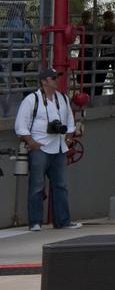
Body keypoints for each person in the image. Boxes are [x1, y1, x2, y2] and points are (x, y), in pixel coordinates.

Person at [13, 68, 82, 231]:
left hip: (59, 148)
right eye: (53, 78)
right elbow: (20, 125)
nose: (57, 80)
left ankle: (62, 221)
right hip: (40, 148)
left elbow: (70, 122)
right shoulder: (32, 99)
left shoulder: (63, 98)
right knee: (36, 186)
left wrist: (69, 138)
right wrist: (32, 143)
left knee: (61, 186)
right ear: (44, 81)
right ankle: (35, 222)